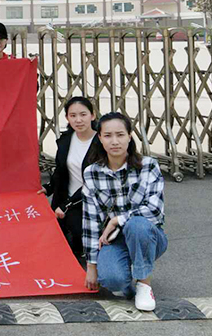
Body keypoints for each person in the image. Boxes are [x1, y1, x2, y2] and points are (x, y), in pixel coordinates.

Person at [82, 112, 167, 312]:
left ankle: (144, 284)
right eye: (108, 135)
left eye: (120, 135)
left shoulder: (148, 166)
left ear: (129, 136)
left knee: (136, 224)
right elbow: (90, 222)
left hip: (149, 235)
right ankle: (128, 286)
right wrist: (91, 267)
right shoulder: (92, 173)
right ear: (100, 138)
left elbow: (155, 211)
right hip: (114, 239)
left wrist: (118, 220)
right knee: (112, 280)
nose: (114, 141)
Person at [39, 96, 99, 261]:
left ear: (92, 115)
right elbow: (60, 170)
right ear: (67, 118)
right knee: (49, 243)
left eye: (83, 114)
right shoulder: (65, 140)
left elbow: (94, 182)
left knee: (76, 232)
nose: (78, 120)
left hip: (88, 201)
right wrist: (48, 188)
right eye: (73, 115)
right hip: (64, 199)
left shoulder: (101, 142)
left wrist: (67, 205)